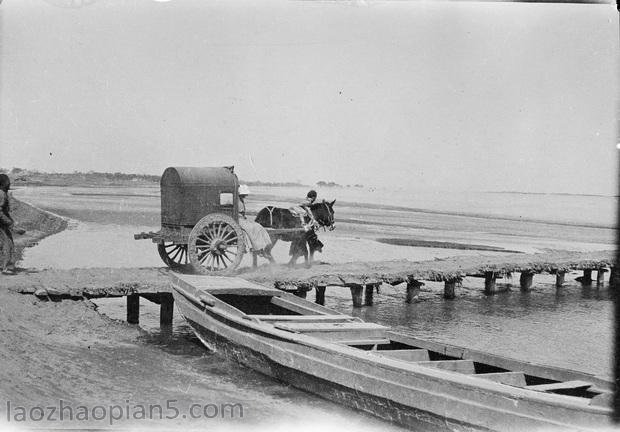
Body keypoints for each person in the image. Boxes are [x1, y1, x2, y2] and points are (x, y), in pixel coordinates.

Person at [237, 185, 272, 256]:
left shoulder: (240, 200)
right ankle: (257, 248)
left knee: (258, 226)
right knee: (253, 228)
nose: (245, 196)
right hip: (239, 220)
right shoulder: (237, 200)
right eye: (244, 194)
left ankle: (262, 246)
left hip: (242, 219)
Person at [0, 174, 25, 274]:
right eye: (8, 183)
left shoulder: (2, 193)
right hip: (1, 223)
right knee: (8, 243)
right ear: (3, 184)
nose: (10, 185)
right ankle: (6, 268)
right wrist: (11, 225)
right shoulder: (1, 194)